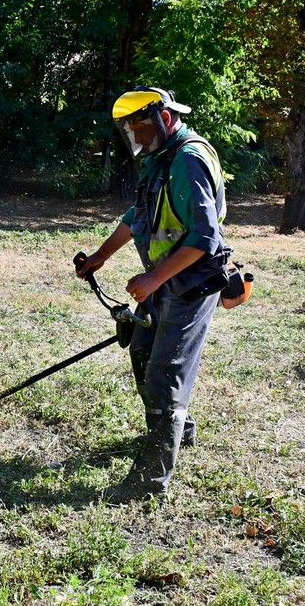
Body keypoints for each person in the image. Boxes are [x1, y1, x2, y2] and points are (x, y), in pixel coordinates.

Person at [76, 87, 230, 503]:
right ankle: (179, 432)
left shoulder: (190, 159)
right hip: (162, 279)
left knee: (165, 374)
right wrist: (100, 257)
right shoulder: (161, 158)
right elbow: (137, 216)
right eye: (129, 129)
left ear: (163, 117)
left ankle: (150, 482)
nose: (135, 136)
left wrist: (152, 280)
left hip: (191, 283)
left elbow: (204, 238)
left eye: (139, 126)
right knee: (142, 354)